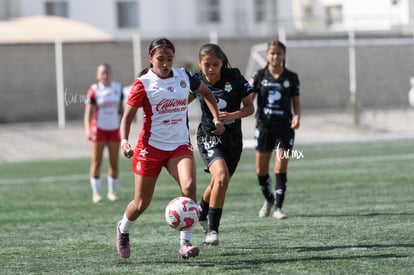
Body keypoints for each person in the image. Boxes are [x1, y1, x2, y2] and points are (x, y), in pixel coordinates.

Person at [115, 38, 225, 259]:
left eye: (169, 59)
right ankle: (123, 229)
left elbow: (208, 93)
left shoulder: (184, 76)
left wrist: (216, 119)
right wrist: (125, 141)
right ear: (151, 59)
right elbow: (127, 117)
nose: (165, 64)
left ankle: (184, 245)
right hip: (150, 148)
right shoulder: (143, 83)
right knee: (141, 203)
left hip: (179, 145)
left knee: (189, 187)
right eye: (160, 59)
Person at [189, 43, 254, 245]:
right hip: (208, 136)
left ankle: (200, 212)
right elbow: (181, 102)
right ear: (200, 64)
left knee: (219, 181)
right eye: (206, 64)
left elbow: (250, 108)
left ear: (222, 63)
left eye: (215, 64)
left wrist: (233, 115)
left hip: (233, 139)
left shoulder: (234, 77)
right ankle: (213, 230)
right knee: (222, 176)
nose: (210, 69)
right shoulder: (196, 81)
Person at [249, 40, 301, 219]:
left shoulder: (291, 77)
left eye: (279, 53)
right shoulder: (259, 75)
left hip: (285, 129)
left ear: (284, 55)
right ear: (267, 55)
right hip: (264, 128)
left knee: (280, 166)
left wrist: (297, 116)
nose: (275, 56)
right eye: (272, 53)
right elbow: (249, 99)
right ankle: (269, 200)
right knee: (261, 170)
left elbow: (296, 101)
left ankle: (278, 208)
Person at [84, 63, 124, 203]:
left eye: (107, 72)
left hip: (114, 129)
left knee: (114, 162)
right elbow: (88, 111)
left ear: (110, 74)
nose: (105, 75)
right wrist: (87, 129)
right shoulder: (93, 90)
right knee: (96, 161)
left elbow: (122, 110)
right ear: (97, 75)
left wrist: (124, 127)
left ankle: (112, 192)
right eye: (102, 73)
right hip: (98, 129)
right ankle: (96, 194)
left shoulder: (118, 88)